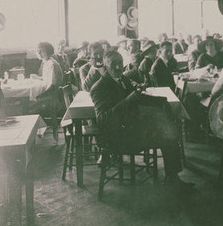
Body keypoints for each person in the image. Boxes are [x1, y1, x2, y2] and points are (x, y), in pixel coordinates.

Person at [90, 50, 192, 188]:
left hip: (130, 129)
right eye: (114, 64)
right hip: (116, 138)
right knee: (168, 136)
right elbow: (103, 119)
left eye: (120, 63)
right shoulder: (99, 88)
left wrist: (162, 101)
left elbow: (138, 97)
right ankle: (172, 179)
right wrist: (130, 98)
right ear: (106, 67)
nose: (118, 67)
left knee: (169, 130)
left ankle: (172, 177)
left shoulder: (122, 79)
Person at [31, 42, 65, 142]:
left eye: (41, 51)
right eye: (38, 51)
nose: (38, 53)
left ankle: (32, 138)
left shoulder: (52, 64)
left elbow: (52, 85)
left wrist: (40, 97)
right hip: (50, 94)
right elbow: (47, 80)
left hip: (52, 97)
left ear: (47, 52)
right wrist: (39, 78)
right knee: (31, 98)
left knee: (27, 106)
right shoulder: (47, 62)